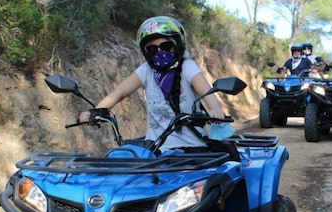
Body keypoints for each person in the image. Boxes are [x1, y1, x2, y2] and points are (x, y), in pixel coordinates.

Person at [78, 16, 225, 150]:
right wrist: (96, 112)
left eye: (166, 47)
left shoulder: (188, 67)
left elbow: (206, 91)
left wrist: (215, 109)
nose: (160, 52)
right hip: (155, 151)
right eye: (153, 49)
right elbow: (119, 92)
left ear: (177, 45)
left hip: (189, 150)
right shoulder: (147, 70)